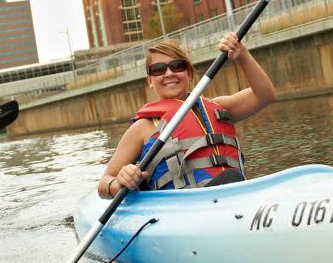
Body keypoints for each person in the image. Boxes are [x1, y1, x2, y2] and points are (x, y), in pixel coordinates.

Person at [97, 32, 276, 198]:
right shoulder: (142, 128)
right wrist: (119, 182)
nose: (169, 73)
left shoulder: (219, 108)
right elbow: (104, 183)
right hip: (184, 208)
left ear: (189, 73)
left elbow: (266, 95)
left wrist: (242, 54)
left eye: (177, 66)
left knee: (231, 178)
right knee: (231, 177)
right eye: (159, 69)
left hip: (235, 193)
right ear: (150, 81)